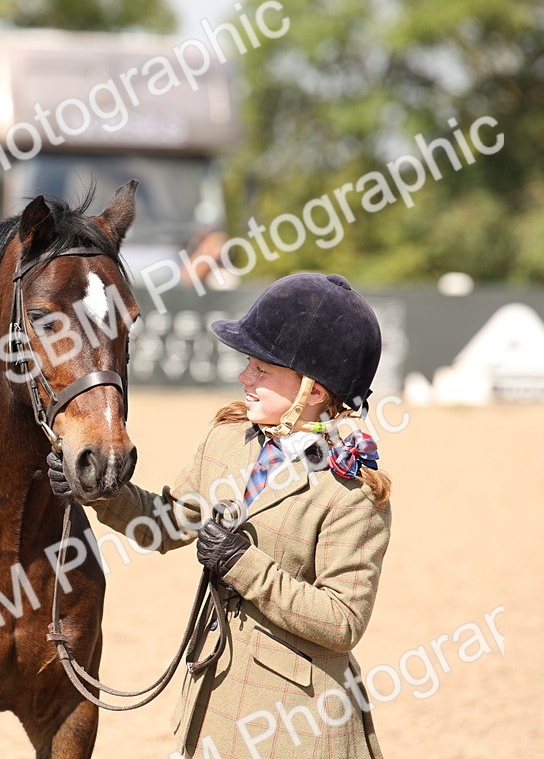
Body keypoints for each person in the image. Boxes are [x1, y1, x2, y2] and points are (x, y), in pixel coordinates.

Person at [48, 272, 392, 759]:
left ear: (313, 391)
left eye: (261, 369)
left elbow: (342, 622)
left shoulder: (352, 490)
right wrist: (102, 494)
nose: (243, 378)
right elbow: (169, 522)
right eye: (247, 364)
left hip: (297, 722)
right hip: (214, 697)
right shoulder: (229, 438)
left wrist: (242, 565)